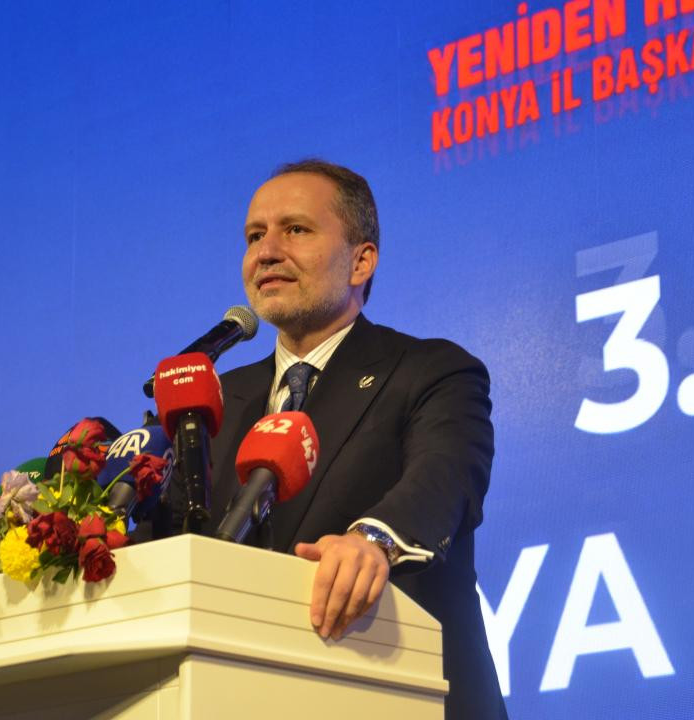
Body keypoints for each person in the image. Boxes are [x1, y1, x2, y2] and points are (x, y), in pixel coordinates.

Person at [203, 159, 508, 719]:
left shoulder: (430, 371)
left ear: (361, 261)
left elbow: (444, 479)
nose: (266, 252)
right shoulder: (216, 402)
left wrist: (372, 540)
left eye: (295, 229)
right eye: (254, 236)